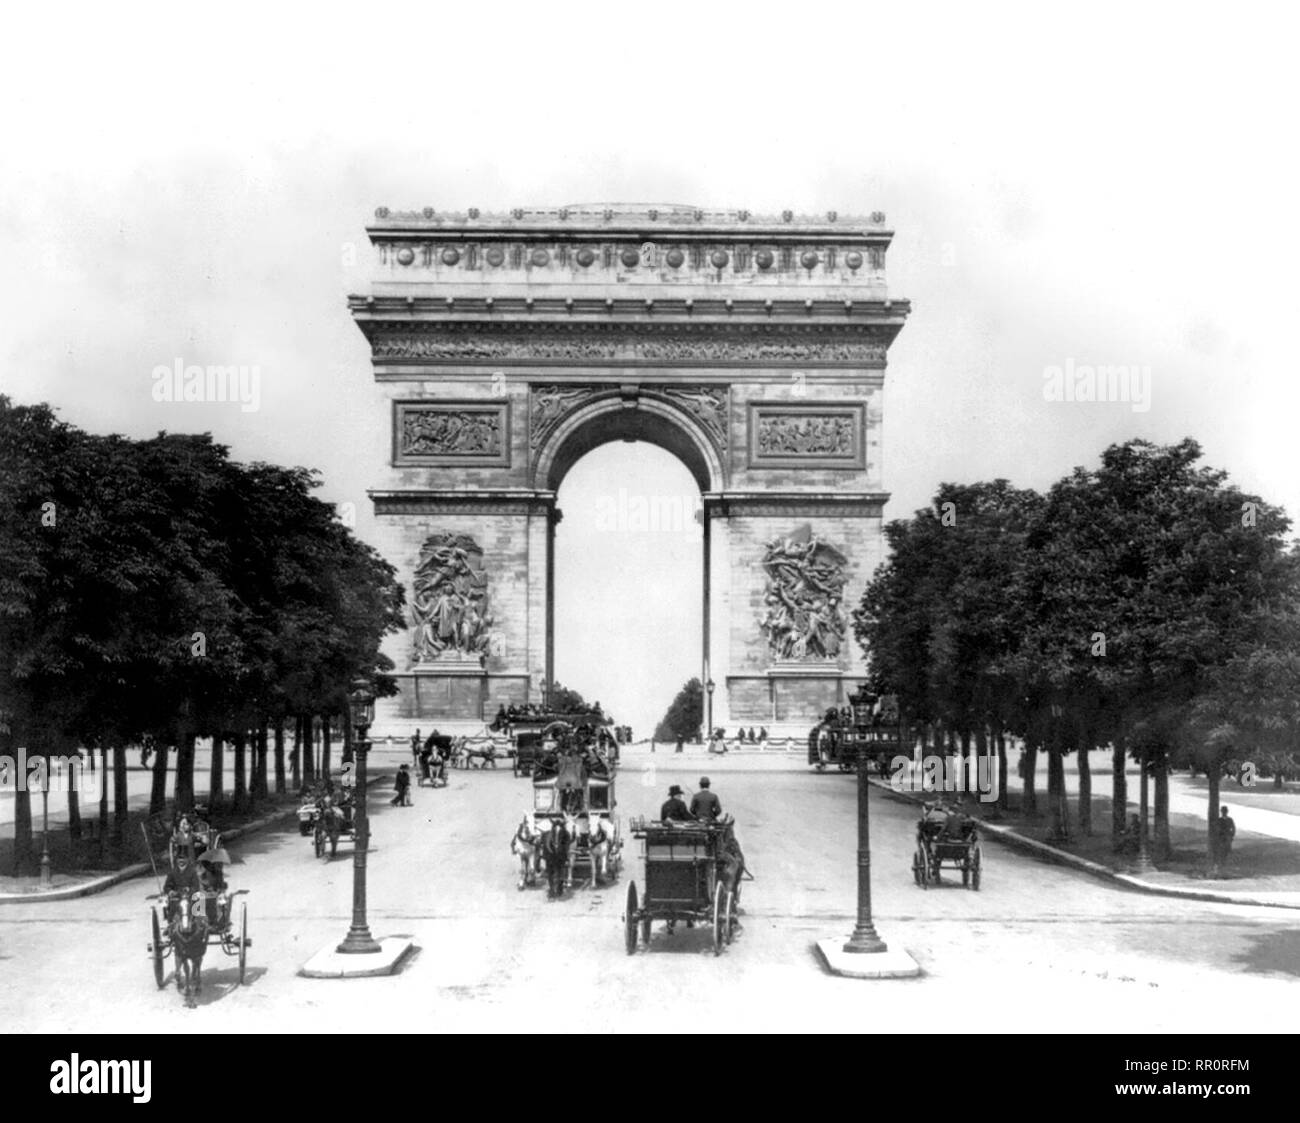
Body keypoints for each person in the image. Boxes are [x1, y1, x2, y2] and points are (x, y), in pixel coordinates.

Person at [162, 850, 202, 922]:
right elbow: (166, 887)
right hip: (177, 897)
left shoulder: (192, 872)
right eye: (179, 859)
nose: (181, 860)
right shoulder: (172, 872)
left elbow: (196, 886)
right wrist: (170, 891)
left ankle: (195, 922)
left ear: (187, 860)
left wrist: (189, 889)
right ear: (176, 860)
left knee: (196, 908)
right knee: (172, 909)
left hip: (190, 897)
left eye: (183, 858)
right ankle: (171, 925)